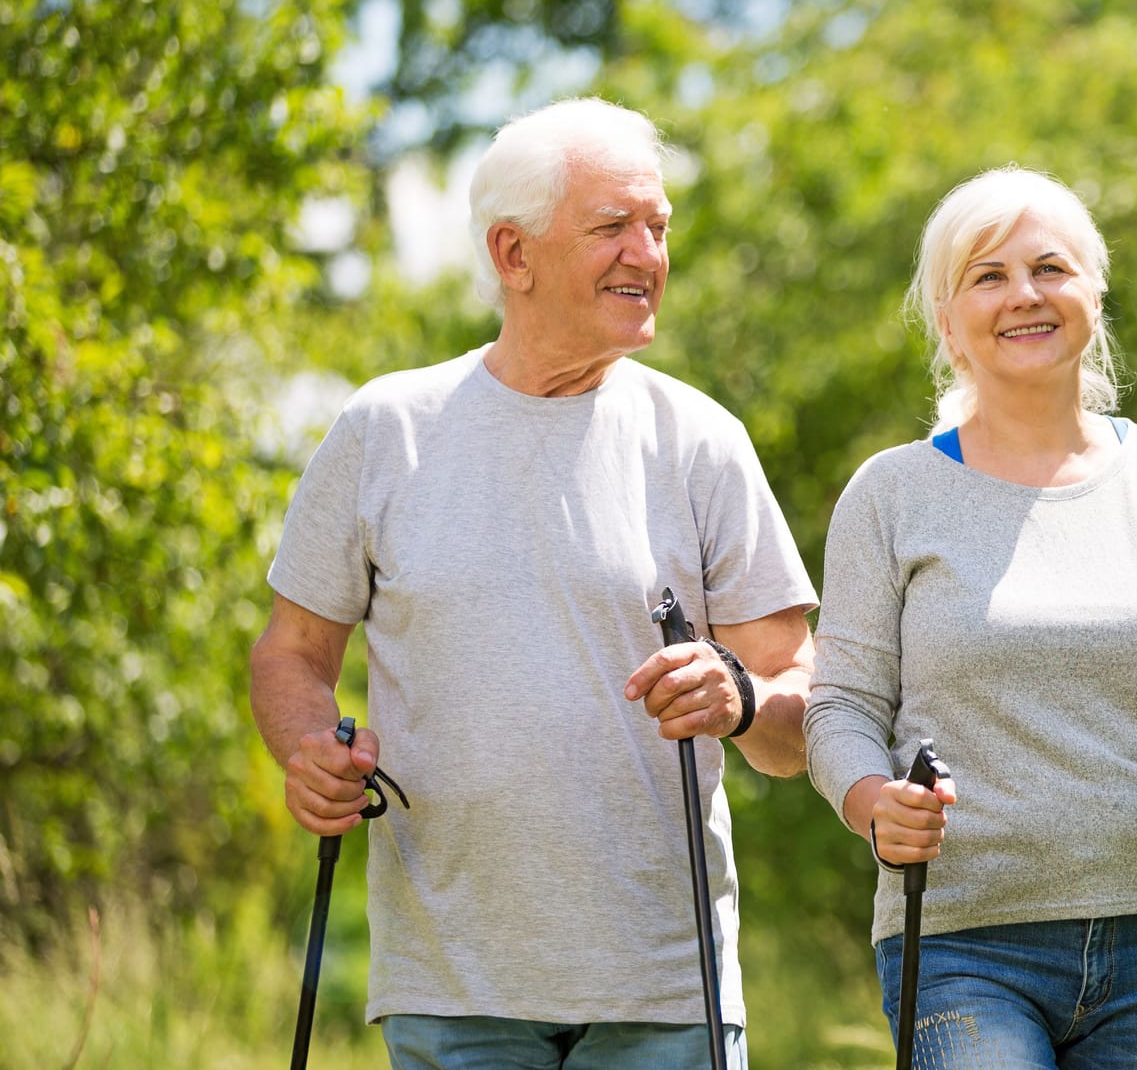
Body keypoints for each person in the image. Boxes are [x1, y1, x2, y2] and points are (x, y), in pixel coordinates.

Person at [248, 97, 817, 1068]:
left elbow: (800, 722)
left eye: (659, 228)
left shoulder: (701, 444)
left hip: (665, 993)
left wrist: (743, 693)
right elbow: (293, 653)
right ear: (513, 255)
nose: (648, 255)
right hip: (452, 986)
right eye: (611, 228)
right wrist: (309, 747)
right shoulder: (386, 431)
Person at [803, 166, 1137, 1068]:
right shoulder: (892, 494)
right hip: (963, 939)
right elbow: (838, 706)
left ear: (1094, 292)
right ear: (947, 322)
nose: (1024, 295)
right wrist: (872, 802)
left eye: (1050, 268)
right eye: (987, 276)